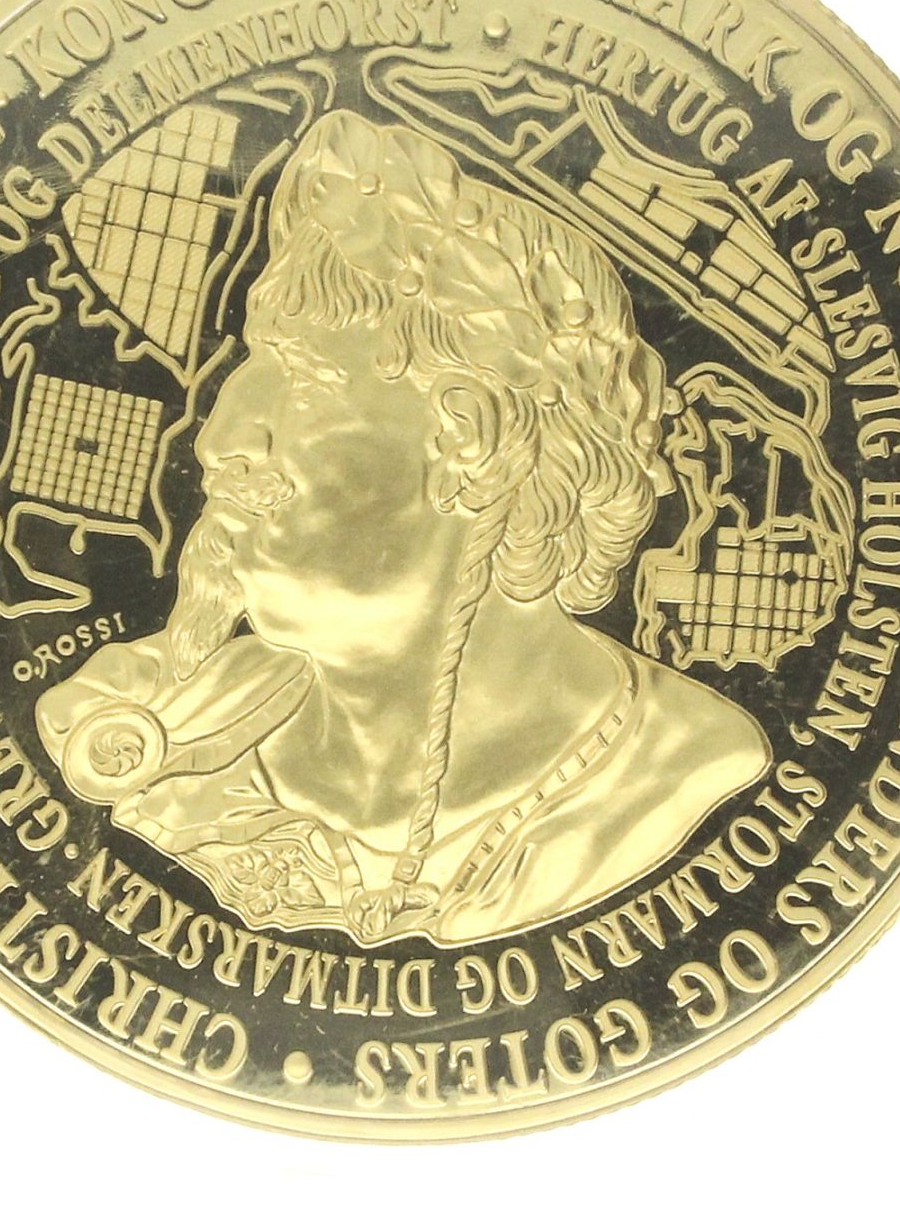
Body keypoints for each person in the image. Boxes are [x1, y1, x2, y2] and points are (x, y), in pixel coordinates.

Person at [37, 110, 770, 945]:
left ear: (471, 443)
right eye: (254, 368)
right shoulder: (151, 740)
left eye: (303, 380)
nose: (219, 442)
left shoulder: (687, 776)